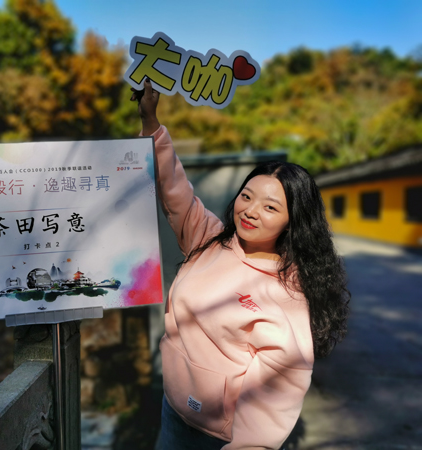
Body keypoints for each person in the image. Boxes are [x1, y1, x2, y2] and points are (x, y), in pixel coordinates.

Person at [131, 79, 350, 450]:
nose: (250, 211)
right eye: (246, 196)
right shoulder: (210, 239)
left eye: (270, 207)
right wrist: (151, 123)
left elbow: (278, 386)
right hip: (173, 410)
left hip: (220, 436)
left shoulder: (286, 293)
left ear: (293, 222)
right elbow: (175, 191)